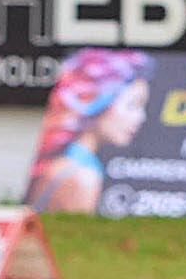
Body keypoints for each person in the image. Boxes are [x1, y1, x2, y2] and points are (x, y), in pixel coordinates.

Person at [24, 46, 153, 214]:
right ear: (98, 102)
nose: (140, 117)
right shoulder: (83, 177)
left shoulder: (65, 163)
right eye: (132, 105)